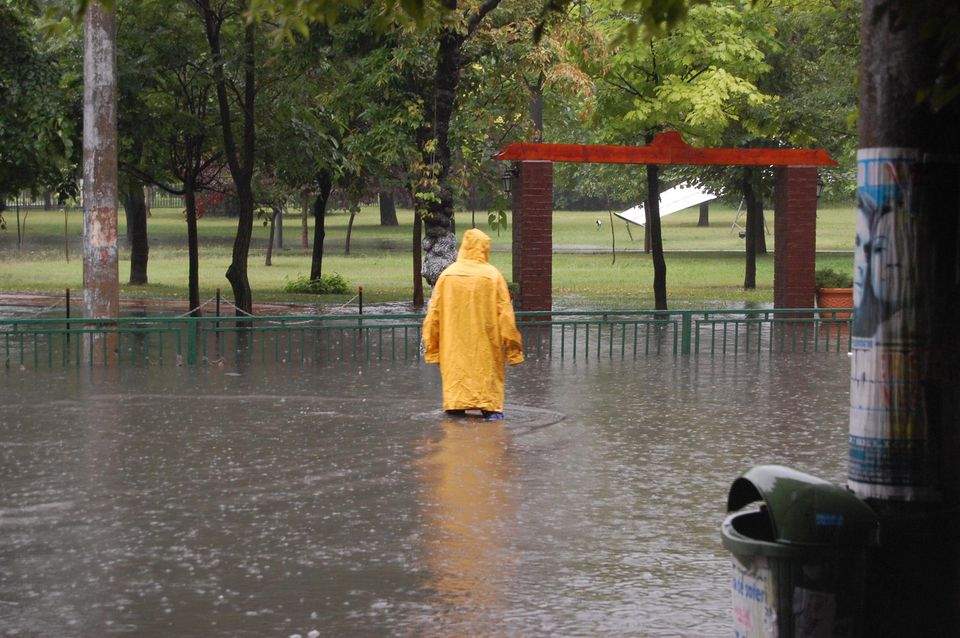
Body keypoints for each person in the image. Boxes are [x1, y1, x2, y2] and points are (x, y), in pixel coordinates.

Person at [422, 228, 524, 420]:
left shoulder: (446, 277)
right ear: (485, 249)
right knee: (493, 430)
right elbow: (507, 319)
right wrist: (514, 352)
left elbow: (432, 318)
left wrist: (433, 351)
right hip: (487, 362)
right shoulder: (493, 278)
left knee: (453, 432)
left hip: (454, 368)